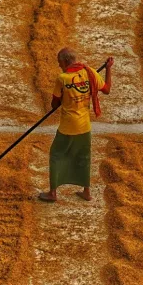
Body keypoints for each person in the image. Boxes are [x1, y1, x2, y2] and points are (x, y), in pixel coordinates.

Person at [39, 48, 113, 203]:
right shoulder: (90, 72)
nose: (60, 66)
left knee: (56, 155)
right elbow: (106, 89)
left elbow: (54, 104)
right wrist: (108, 69)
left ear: (65, 62)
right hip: (84, 126)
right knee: (83, 157)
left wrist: (62, 99)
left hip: (67, 126)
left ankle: (52, 193)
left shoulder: (63, 78)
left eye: (60, 63)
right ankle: (86, 192)